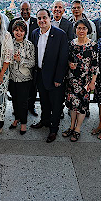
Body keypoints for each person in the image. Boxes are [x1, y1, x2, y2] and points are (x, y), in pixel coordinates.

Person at [29, 9, 69, 143]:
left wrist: (59, 78)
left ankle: (53, 129)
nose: (42, 21)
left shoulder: (60, 34)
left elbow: (63, 58)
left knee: (56, 104)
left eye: (44, 18)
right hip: (40, 74)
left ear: (50, 18)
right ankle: (44, 121)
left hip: (54, 76)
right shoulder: (35, 33)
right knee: (44, 101)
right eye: (39, 18)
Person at [62, 19, 98, 142]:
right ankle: (71, 126)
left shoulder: (93, 45)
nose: (81, 30)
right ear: (75, 29)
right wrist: (69, 63)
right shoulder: (71, 43)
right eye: (79, 28)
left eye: (84, 28)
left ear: (88, 30)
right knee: (72, 105)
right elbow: (67, 58)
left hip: (85, 81)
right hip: (72, 79)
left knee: (82, 106)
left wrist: (93, 82)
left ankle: (77, 128)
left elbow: (95, 65)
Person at [8, 1, 38, 116]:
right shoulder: (13, 22)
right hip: (15, 64)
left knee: (31, 89)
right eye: (22, 9)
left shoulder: (36, 22)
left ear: (31, 9)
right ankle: (17, 111)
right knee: (16, 91)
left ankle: (31, 107)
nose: (25, 12)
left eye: (27, 9)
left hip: (31, 58)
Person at [8, 20, 35, 135]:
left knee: (23, 101)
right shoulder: (9, 43)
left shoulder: (29, 45)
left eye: (21, 31)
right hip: (11, 77)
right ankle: (17, 118)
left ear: (25, 32)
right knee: (14, 99)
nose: (18, 33)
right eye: (16, 30)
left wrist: (21, 60)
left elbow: (32, 62)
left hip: (24, 79)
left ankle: (23, 122)